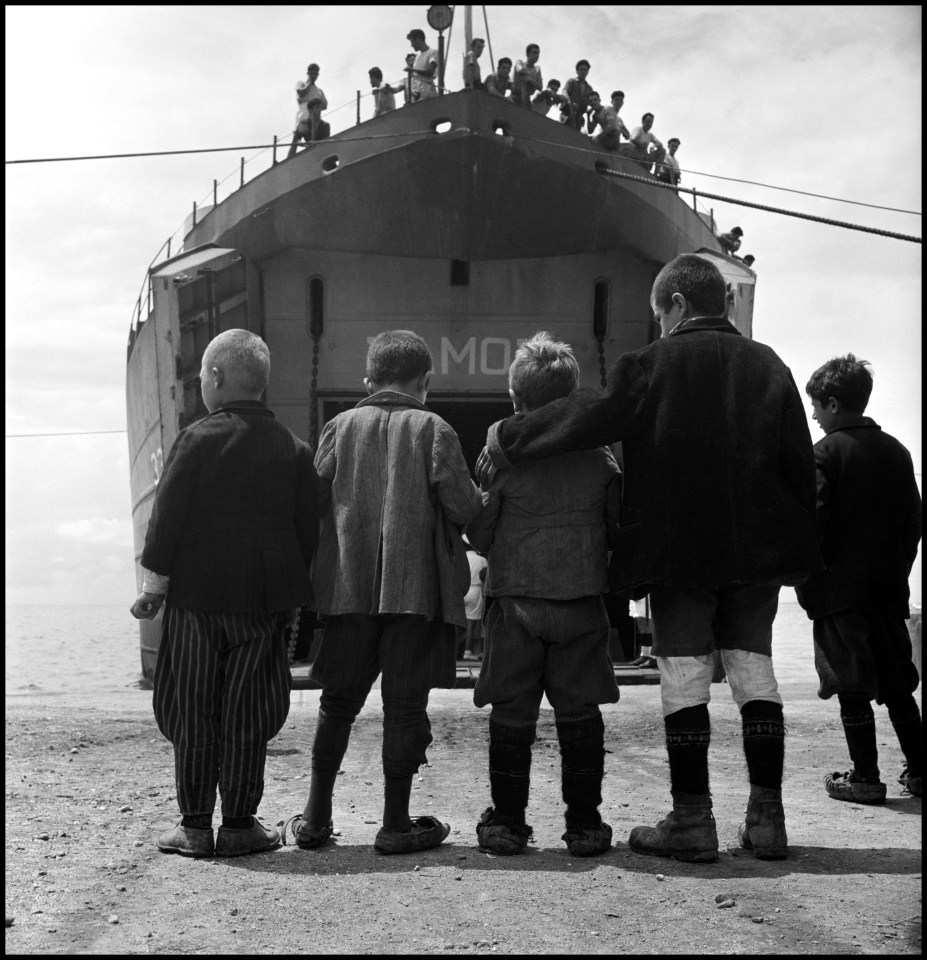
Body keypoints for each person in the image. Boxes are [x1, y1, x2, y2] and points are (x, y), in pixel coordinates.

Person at [477, 254, 823, 863]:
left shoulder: (652, 366)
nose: (659, 324)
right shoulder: (771, 366)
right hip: (755, 554)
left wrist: (510, 438)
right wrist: (794, 554)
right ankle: (767, 820)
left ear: (678, 305)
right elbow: (800, 467)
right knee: (754, 674)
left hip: (678, 551)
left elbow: (589, 418)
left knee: (686, 676)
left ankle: (692, 820)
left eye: (659, 312)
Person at [285, 330, 482, 855]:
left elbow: (313, 501)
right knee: (404, 707)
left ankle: (314, 818)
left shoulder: (339, 427)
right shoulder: (434, 429)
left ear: (368, 380)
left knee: (337, 704)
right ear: (426, 382)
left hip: (347, 590)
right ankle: (396, 825)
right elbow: (465, 507)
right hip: (415, 593)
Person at [130, 329, 319, 859]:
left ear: (215, 378)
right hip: (262, 605)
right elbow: (309, 534)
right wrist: (296, 596)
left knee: (191, 706)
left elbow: (166, 521)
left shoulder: (196, 439)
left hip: (197, 601)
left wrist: (154, 588)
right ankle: (239, 825)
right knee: (249, 710)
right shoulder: (295, 450)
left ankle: (193, 826)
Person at [468, 333, 621, 857]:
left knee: (512, 715)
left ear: (517, 400)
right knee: (580, 716)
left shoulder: (502, 459)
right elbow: (616, 527)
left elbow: (480, 536)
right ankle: (584, 825)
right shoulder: (599, 459)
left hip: (515, 607)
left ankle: (508, 822)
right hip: (580, 603)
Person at [797, 354, 922, 802]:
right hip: (888, 591)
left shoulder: (825, 453)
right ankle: (920, 770)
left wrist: (809, 583)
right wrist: (896, 572)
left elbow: (814, 523)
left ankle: (865, 776)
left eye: (816, 406)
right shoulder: (897, 451)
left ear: (833, 403)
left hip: (839, 593)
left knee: (851, 683)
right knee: (896, 683)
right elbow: (913, 523)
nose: (813, 415)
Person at [287, 63, 329, 159]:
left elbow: (325, 105)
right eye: (312, 73)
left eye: (316, 73)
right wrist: (310, 82)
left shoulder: (319, 91)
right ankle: (288, 161)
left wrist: (315, 105)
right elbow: (301, 92)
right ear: (308, 73)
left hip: (314, 120)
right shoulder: (301, 84)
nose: (314, 75)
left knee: (316, 141)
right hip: (303, 119)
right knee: (295, 142)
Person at [462, 540, 488, 660]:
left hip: (461, 590)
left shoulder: (462, 557)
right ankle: (467, 651)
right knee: (471, 623)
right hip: (475, 590)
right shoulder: (482, 560)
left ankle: (456, 649)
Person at [406, 28, 439, 101]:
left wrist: (412, 69)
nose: (411, 45)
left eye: (412, 42)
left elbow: (430, 71)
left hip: (428, 92)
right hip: (417, 94)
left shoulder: (432, 52)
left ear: (417, 39)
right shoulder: (417, 58)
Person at [559, 59, 593, 130]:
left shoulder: (589, 88)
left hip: (579, 117)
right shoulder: (572, 81)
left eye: (585, 69)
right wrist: (569, 102)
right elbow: (564, 91)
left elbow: (592, 102)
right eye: (581, 69)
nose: (583, 71)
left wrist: (590, 109)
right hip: (567, 114)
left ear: (587, 71)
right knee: (564, 133)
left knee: (575, 137)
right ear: (577, 71)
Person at [512, 44, 543, 108]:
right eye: (534, 53)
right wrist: (527, 74)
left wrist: (530, 80)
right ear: (527, 54)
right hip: (514, 98)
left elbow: (540, 86)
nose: (536, 55)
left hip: (527, 101)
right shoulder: (520, 62)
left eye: (538, 53)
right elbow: (520, 69)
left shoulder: (537, 69)